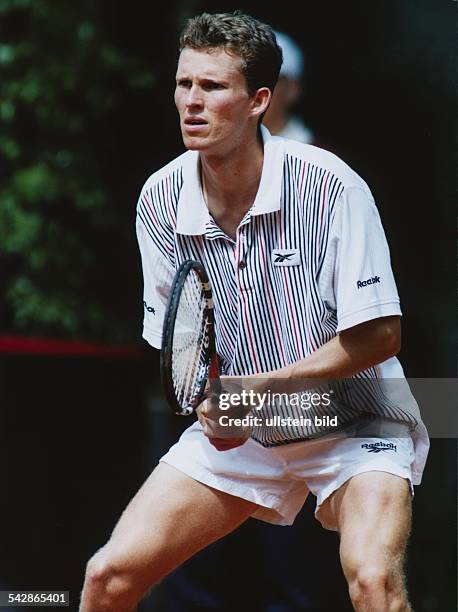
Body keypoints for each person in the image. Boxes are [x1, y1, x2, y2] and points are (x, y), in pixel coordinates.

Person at [80, 11, 429, 612]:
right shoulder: (160, 198)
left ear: (258, 101)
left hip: (358, 412)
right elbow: (182, 342)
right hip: (248, 423)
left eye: (213, 87)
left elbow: (381, 336)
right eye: (184, 84)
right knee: (107, 577)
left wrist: (260, 388)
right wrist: (215, 398)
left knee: (374, 583)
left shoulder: (333, 186)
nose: (192, 101)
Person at [263, 30, 314, 144]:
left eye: (267, 80)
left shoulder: (320, 157)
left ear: (292, 89)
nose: (255, 91)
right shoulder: (220, 149)